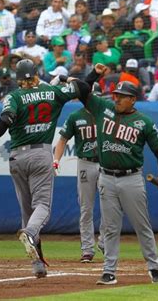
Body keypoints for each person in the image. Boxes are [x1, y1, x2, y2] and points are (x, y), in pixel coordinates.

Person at [0, 59, 86, 278]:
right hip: (40, 153)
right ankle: (30, 233)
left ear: (18, 78)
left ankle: (38, 263)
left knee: (28, 212)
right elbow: (83, 88)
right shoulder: (52, 91)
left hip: (17, 157)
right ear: (36, 73)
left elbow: (6, 119)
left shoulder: (14, 96)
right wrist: (65, 79)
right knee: (42, 207)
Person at [79, 65, 158, 285]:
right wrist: (94, 75)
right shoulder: (104, 109)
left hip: (132, 179)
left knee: (142, 225)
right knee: (109, 227)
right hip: (106, 177)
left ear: (133, 100)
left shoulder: (143, 122)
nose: (117, 99)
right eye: (116, 95)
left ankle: (154, 268)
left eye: (122, 97)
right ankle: (109, 271)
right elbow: (82, 91)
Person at [53, 108, 104, 263]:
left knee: (111, 206)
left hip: (105, 163)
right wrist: (56, 160)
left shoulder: (107, 113)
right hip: (85, 163)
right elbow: (63, 140)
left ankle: (104, 242)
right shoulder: (75, 116)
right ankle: (87, 249)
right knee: (85, 208)